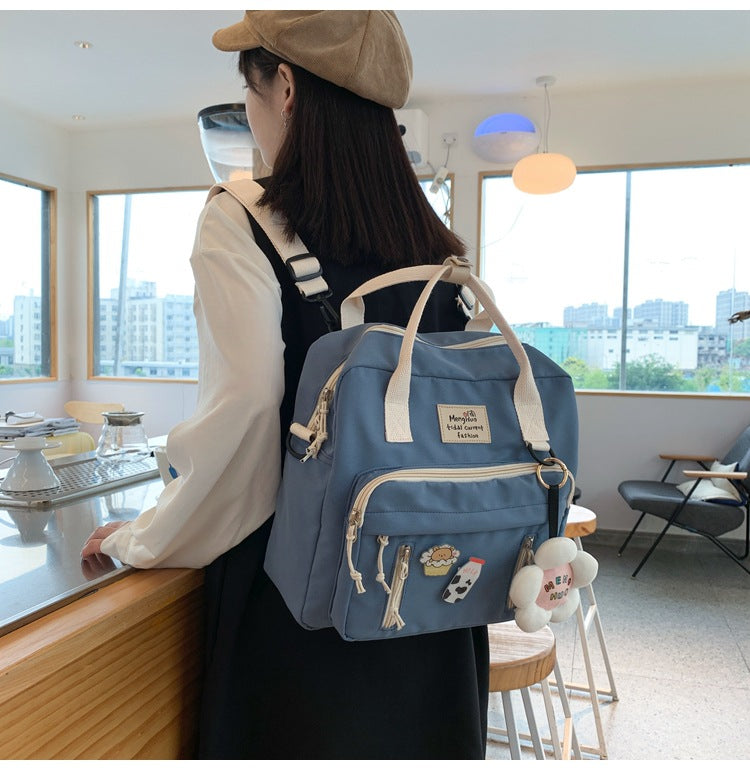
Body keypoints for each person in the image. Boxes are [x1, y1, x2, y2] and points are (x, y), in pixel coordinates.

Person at [82, 10, 488, 759]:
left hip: (302, 599)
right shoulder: (436, 248)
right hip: (431, 590)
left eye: (251, 93)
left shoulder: (242, 217)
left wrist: (145, 536)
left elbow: (244, 411)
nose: (251, 114)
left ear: (288, 88)